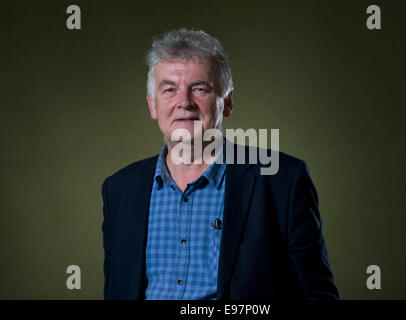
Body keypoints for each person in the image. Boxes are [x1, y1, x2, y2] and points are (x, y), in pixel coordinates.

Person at [101, 28, 339, 300]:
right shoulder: (119, 190)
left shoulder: (282, 181)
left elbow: (318, 294)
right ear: (153, 105)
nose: (184, 103)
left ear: (227, 102)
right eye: (169, 90)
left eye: (199, 89)